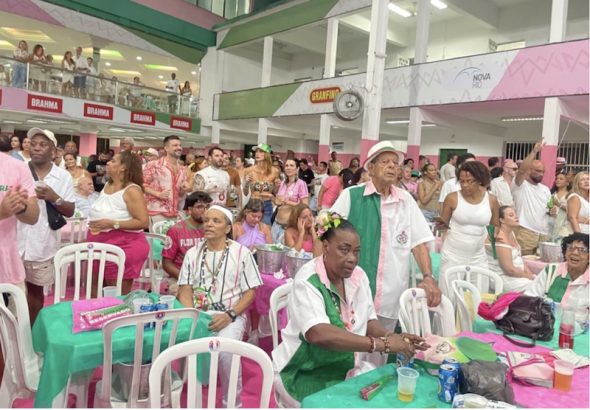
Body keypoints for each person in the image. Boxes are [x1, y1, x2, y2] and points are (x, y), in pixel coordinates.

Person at [272, 218, 428, 407]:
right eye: (344, 250)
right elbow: (318, 334)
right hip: (305, 372)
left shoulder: (358, 277)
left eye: (356, 251)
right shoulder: (308, 280)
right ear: (326, 247)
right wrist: (384, 344)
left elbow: (368, 320)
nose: (352, 258)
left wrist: (392, 336)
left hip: (347, 368)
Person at [330, 141, 440, 361]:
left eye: (395, 162)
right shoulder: (351, 196)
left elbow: (418, 243)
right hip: (352, 293)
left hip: (389, 293)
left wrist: (428, 277)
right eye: (385, 162)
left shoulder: (405, 200)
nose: (392, 166)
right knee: (350, 356)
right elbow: (326, 233)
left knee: (381, 356)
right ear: (371, 168)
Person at [177, 206, 263, 408]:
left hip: (230, 314)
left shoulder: (241, 253)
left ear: (227, 228)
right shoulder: (193, 253)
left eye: (216, 221)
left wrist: (230, 315)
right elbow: (185, 290)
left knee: (227, 352)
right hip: (197, 315)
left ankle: (232, 403)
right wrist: (193, 317)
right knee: (187, 348)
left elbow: (251, 292)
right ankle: (194, 403)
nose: (209, 224)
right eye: (207, 220)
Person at [18, 129, 75, 325]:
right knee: (10, 291)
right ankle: (11, 336)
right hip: (13, 240)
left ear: (53, 151)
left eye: (43, 144)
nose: (36, 148)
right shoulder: (19, 169)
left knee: (35, 291)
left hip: (42, 243)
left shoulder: (63, 176)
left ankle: (31, 335)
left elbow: (70, 210)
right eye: (33, 144)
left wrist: (53, 197)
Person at [88, 151, 149, 296]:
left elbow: (143, 222)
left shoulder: (132, 190)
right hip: (99, 245)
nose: (108, 162)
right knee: (95, 291)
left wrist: (112, 224)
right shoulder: (108, 185)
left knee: (115, 297)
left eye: (113, 161)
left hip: (124, 246)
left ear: (123, 167)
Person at [438, 161, 500, 296]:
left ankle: (473, 318)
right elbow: (444, 224)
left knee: (479, 294)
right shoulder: (452, 198)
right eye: (462, 181)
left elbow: (495, 224)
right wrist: (441, 227)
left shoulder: (491, 200)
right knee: (449, 295)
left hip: (478, 254)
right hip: (453, 253)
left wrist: (493, 235)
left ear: (480, 181)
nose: (465, 185)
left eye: (470, 181)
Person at [162, 191, 212, 297]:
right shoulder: (176, 230)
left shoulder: (212, 228)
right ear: (189, 210)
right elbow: (167, 264)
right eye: (200, 207)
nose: (205, 211)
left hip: (209, 277)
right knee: (187, 298)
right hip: (181, 277)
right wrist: (187, 278)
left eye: (207, 206)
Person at [525, 233, 589, 310]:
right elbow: (530, 298)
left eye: (582, 250)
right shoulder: (551, 271)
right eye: (571, 247)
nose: (575, 252)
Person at [512, 139, 551, 255]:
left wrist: (552, 211)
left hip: (543, 235)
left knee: (539, 267)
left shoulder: (545, 189)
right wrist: (534, 152)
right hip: (525, 233)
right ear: (529, 170)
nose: (541, 174)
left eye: (543, 172)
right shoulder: (520, 185)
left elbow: (547, 210)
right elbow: (522, 170)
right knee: (522, 265)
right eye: (538, 171)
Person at [485, 206, 535, 293]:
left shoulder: (511, 233)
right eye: (511, 215)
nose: (516, 217)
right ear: (502, 220)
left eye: (515, 214)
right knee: (535, 287)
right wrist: (529, 277)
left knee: (542, 281)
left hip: (516, 275)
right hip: (502, 277)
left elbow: (520, 260)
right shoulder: (500, 236)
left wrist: (530, 275)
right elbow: (509, 270)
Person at [143, 136, 189, 229]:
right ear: (166, 148)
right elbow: (141, 184)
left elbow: (179, 194)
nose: (179, 147)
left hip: (175, 213)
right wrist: (158, 194)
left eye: (180, 145)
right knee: (158, 243)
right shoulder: (153, 165)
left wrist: (184, 189)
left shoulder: (182, 169)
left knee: (173, 242)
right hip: (157, 212)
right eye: (175, 145)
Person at [244, 143, 280, 225]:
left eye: (261, 151)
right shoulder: (248, 170)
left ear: (267, 154)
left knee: (266, 230)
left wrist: (277, 186)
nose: (257, 153)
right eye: (256, 151)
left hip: (267, 205)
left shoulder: (275, 171)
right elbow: (245, 193)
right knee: (251, 229)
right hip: (253, 203)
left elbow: (275, 191)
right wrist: (246, 182)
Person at [549, 172, 571, 240]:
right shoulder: (551, 193)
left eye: (561, 179)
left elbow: (571, 210)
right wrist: (550, 211)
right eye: (557, 179)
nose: (558, 180)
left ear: (567, 182)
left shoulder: (570, 195)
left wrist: (559, 204)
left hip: (564, 223)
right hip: (550, 222)